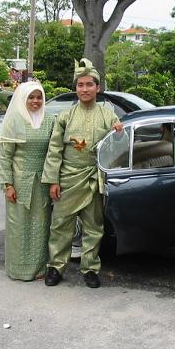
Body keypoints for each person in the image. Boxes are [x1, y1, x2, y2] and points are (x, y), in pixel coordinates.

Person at [42, 58, 122, 288]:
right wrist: (52, 181)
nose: (84, 89)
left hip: (92, 179)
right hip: (67, 179)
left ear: (98, 88)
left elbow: (117, 149)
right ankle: (56, 267)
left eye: (89, 84)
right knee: (60, 226)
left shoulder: (109, 115)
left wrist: (119, 134)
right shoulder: (65, 116)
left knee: (94, 228)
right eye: (80, 85)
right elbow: (54, 150)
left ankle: (90, 269)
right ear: (75, 88)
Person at [0, 81, 55, 281]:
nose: (36, 101)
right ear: (23, 99)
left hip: (43, 182)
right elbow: (5, 156)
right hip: (20, 182)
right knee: (18, 225)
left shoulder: (50, 121)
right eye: (31, 97)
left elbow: (55, 151)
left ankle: (39, 269)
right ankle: (18, 269)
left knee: (41, 224)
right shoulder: (15, 121)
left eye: (39, 97)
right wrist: (7, 184)